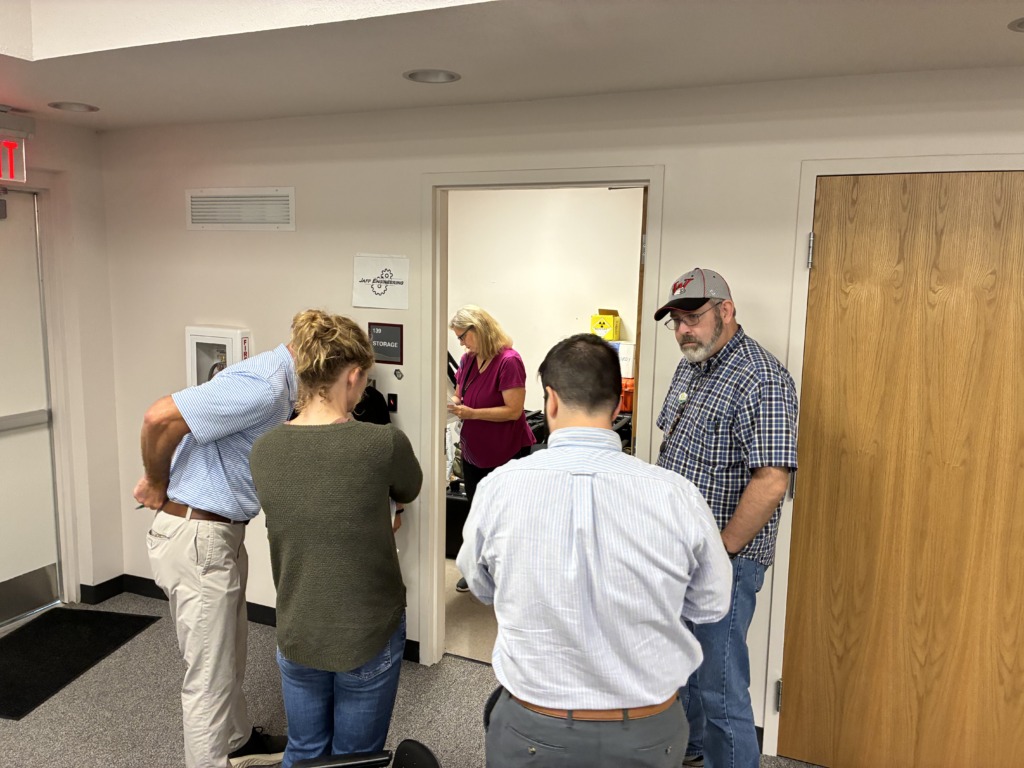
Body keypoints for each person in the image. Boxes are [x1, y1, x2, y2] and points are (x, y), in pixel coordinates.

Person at [457, 333, 733, 768]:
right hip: (648, 731)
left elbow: (480, 586)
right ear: (619, 405)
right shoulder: (677, 495)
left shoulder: (499, 488)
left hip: (533, 727)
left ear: (550, 401)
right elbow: (712, 604)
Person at [249, 310, 422, 767]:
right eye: (363, 381)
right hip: (366, 629)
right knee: (355, 757)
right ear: (353, 376)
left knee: (304, 750)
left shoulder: (264, 450)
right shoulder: (382, 443)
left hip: (298, 627)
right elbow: (409, 487)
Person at [134, 318, 304, 768]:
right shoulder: (266, 387)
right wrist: (155, 479)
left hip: (217, 534)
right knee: (208, 676)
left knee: (228, 653)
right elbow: (159, 417)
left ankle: (237, 740)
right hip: (198, 536)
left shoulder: (275, 384)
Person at [653, 267, 799, 768]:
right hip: (681, 552)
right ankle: (695, 752)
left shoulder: (761, 378)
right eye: (675, 322)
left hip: (727, 561)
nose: (683, 331)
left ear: (726, 311)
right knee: (684, 666)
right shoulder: (693, 365)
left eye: (692, 318)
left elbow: (772, 481)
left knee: (719, 688)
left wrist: (722, 548)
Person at [448, 305, 535, 592]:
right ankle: (478, 571)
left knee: (505, 517)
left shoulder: (509, 361)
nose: (461, 343)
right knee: (477, 513)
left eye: (463, 336)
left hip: (505, 450)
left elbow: (513, 411)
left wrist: (471, 413)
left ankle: (507, 575)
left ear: (479, 329)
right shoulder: (468, 360)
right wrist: (453, 403)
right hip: (475, 450)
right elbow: (459, 395)